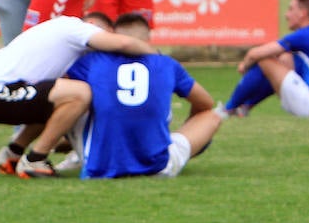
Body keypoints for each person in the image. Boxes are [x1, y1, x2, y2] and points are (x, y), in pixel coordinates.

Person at [0, 15, 155, 178]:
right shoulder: (76, 28)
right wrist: (158, 59)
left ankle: (13, 153)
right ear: (92, 25)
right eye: (107, 34)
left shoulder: (63, 42)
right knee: (80, 94)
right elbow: (124, 43)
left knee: (60, 101)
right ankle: (35, 160)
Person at [63, 13, 221, 179]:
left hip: (99, 165)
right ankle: (160, 144)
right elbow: (205, 104)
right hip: (157, 167)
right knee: (211, 116)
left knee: (73, 97)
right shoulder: (167, 64)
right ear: (147, 39)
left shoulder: (93, 61)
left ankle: (55, 154)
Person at [222, 0, 309, 119]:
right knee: (285, 59)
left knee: (265, 61)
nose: (287, 15)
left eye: (291, 9)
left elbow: (254, 54)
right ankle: (245, 106)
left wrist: (244, 66)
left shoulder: (305, 34)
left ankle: (228, 109)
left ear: (303, 13)